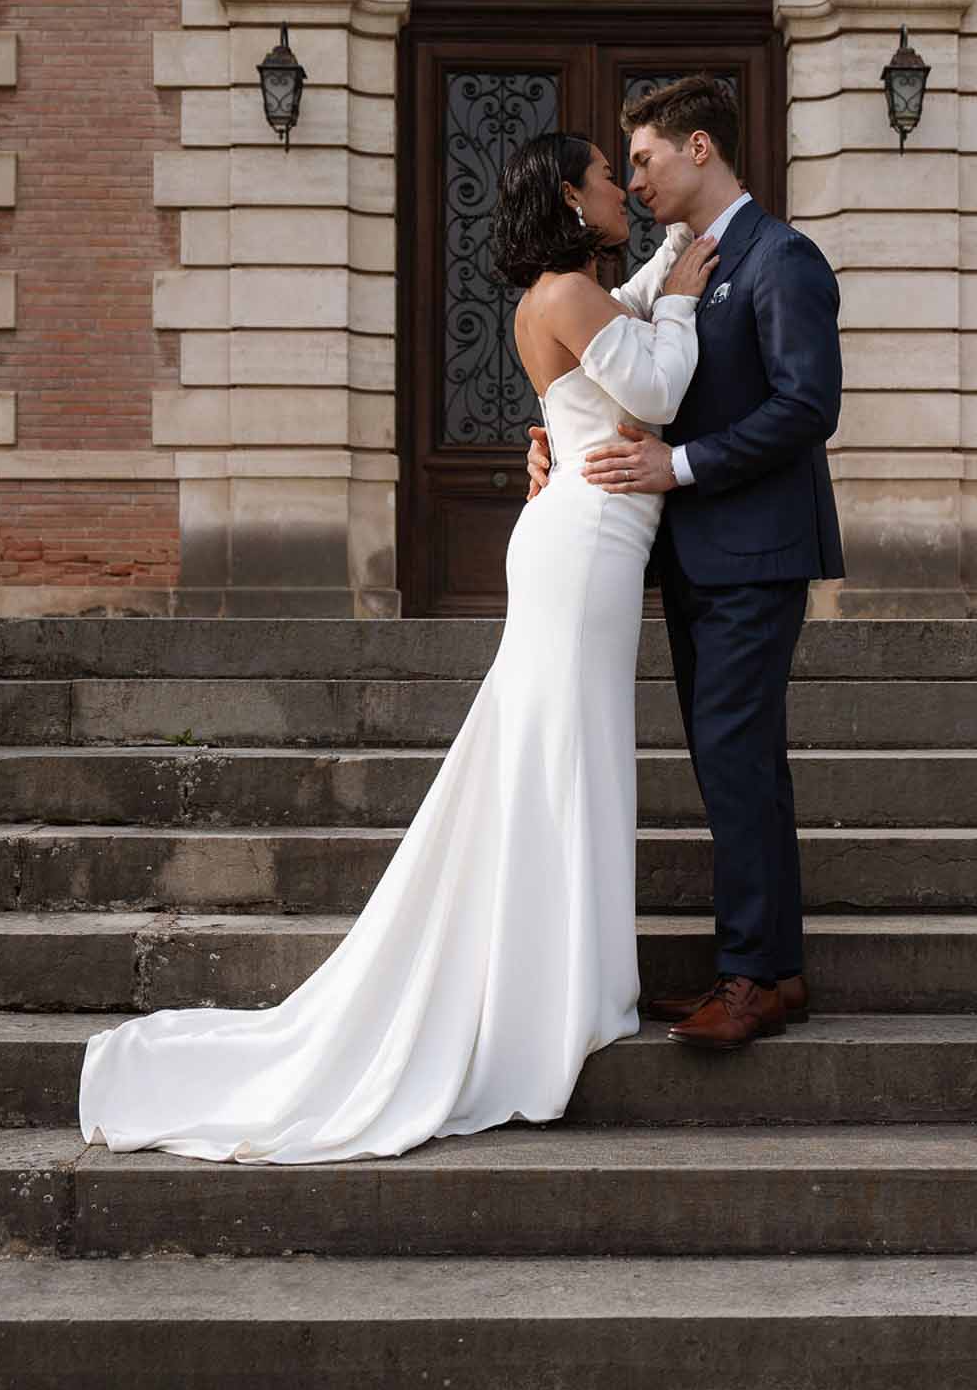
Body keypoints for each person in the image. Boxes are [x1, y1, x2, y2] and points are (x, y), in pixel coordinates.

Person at [77, 131, 718, 1164]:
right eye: (607, 175)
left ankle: (572, 984)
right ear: (569, 192)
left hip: (583, 539)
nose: (620, 189)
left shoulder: (569, 293)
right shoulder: (561, 294)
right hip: (584, 543)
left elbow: (629, 314)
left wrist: (673, 257)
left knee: (567, 753)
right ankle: (555, 995)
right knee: (563, 752)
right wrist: (685, 292)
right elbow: (655, 388)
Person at [529, 74, 844, 1051]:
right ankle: (776, 969)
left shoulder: (783, 258)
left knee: (733, 758)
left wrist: (680, 461)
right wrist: (553, 436)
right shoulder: (673, 259)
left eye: (645, 159)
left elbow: (806, 406)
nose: (636, 178)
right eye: (623, 168)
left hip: (756, 550)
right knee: (737, 762)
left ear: (698, 148)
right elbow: (594, 359)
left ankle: (748, 977)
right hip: (691, 555)